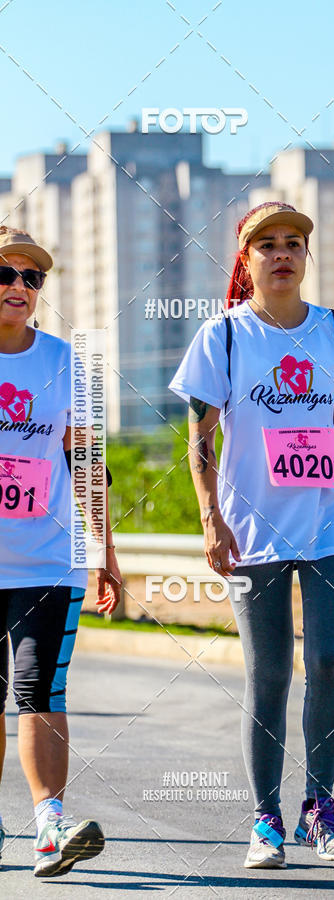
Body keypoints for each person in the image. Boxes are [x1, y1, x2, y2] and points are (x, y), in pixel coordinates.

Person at [169, 201, 334, 869]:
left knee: (327, 662)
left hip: (329, 520)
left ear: (306, 255)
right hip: (252, 529)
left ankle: (318, 810)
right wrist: (211, 519)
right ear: (247, 259)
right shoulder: (224, 337)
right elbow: (199, 442)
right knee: (269, 674)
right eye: (266, 244)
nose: (282, 253)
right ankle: (264, 819)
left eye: (293, 242)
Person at [0, 226, 122, 876]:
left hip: (49, 556)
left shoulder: (67, 363)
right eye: (6, 274)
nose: (20, 287)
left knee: (40, 685)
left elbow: (88, 461)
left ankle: (51, 824)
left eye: (33, 277)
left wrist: (106, 550)